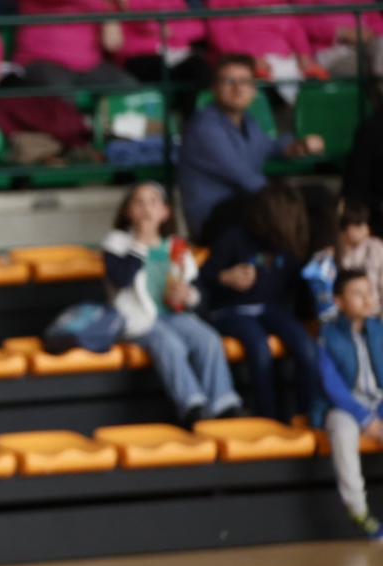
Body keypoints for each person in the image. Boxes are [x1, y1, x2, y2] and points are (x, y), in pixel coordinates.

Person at [104, 182, 246, 426]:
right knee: (169, 344)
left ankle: (224, 404)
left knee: (208, 339)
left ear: (165, 212)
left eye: (153, 202)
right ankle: (193, 406)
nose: (146, 208)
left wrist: (188, 294)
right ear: (128, 211)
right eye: (139, 202)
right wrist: (140, 241)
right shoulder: (116, 242)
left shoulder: (176, 246)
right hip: (139, 320)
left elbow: (198, 294)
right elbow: (122, 278)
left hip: (174, 314)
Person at [201, 182, 321, 420]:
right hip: (231, 311)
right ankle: (268, 418)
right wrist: (226, 277)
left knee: (306, 347)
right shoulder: (233, 237)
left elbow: (300, 282)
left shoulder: (288, 245)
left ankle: (305, 417)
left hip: (270, 309)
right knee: (259, 348)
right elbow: (205, 275)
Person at [177, 55, 324, 243]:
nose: (238, 89)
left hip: (247, 204)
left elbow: (268, 147)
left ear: (253, 89)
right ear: (214, 87)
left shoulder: (248, 121)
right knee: (285, 205)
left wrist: (298, 145)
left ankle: (319, 258)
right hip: (213, 219)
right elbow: (243, 176)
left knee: (317, 195)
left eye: (245, 82)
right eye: (229, 81)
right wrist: (286, 198)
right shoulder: (203, 127)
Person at [314, 269, 383, 537]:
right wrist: (364, 418)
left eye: (369, 292)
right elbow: (331, 385)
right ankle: (358, 510)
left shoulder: (379, 330)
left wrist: (377, 413)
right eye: (357, 294)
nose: (367, 299)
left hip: (378, 404)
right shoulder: (327, 336)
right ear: (339, 301)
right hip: (343, 407)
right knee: (342, 434)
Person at [337, 204, 383, 306]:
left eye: (366, 223)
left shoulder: (375, 247)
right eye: (358, 224)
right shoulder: (332, 254)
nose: (365, 229)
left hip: (375, 312)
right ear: (343, 228)